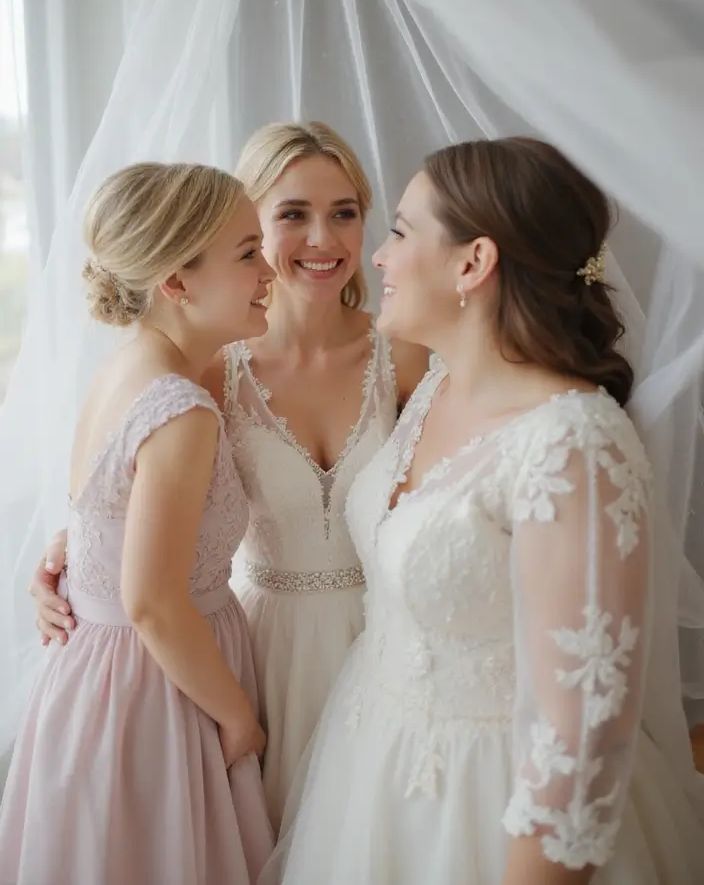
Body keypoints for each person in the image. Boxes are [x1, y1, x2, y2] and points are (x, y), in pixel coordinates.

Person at [261, 138, 704, 884]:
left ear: (473, 264)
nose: (378, 257)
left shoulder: (574, 450)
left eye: (399, 232)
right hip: (375, 767)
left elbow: (583, 741)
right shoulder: (434, 385)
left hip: (491, 803)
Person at [29, 122, 428, 831]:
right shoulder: (212, 367)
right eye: (291, 215)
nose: (322, 239)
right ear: (248, 227)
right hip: (261, 653)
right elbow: (140, 488)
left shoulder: (405, 352)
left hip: (384, 641)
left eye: (344, 212)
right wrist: (69, 555)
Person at [0, 163, 275, 885]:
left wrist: (63, 559)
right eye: (248, 253)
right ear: (177, 283)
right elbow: (152, 602)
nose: (268, 268)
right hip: (158, 687)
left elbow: (99, 517)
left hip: (95, 672)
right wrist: (238, 715)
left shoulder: (125, 368)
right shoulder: (179, 409)